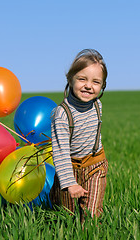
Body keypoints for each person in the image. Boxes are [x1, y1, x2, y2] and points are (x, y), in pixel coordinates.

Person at [50, 49, 108, 221]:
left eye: (96, 82)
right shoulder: (61, 114)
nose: (89, 86)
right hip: (70, 168)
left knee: (91, 216)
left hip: (96, 166)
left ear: (102, 85)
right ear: (70, 79)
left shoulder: (98, 105)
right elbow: (60, 152)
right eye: (82, 79)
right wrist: (69, 183)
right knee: (66, 216)